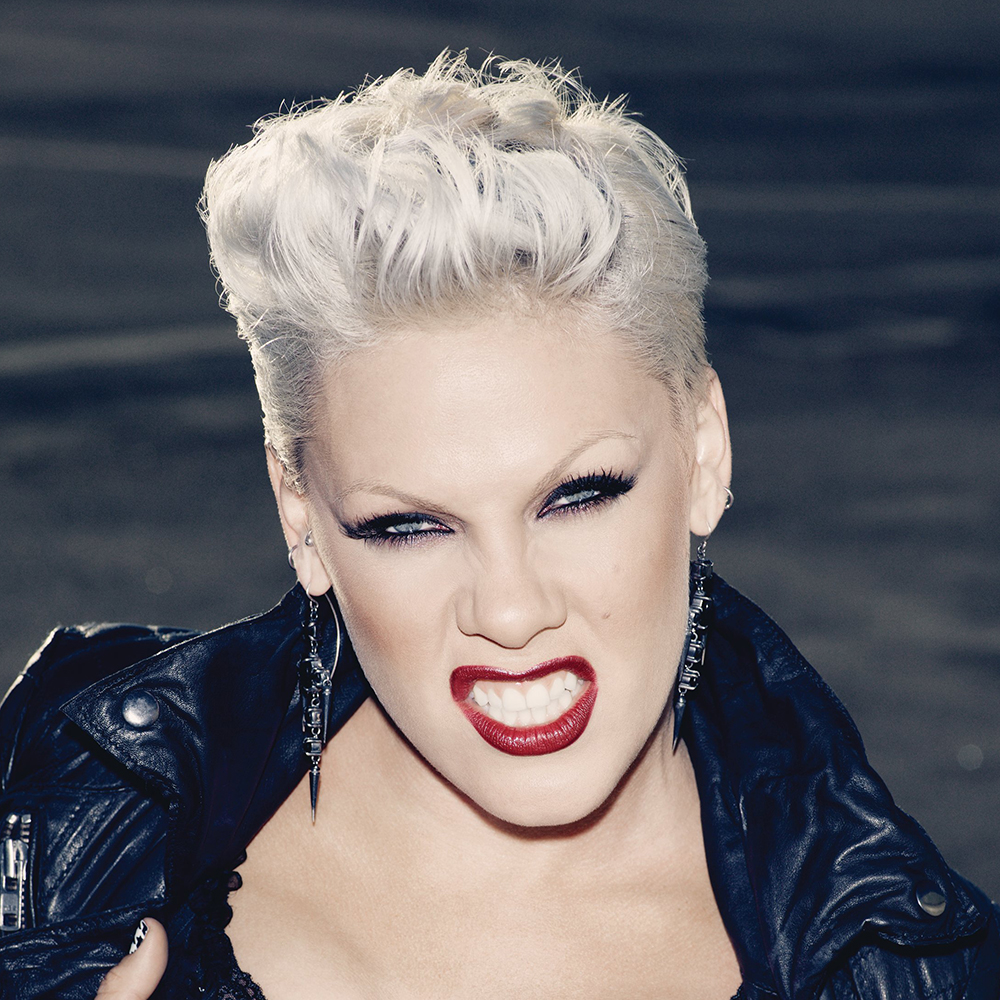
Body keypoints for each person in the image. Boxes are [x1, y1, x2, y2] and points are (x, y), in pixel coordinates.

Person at [0, 52, 996, 1000]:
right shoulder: (68, 821)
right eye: (407, 526)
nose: (512, 611)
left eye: (579, 495)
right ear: (300, 514)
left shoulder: (909, 969)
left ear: (704, 450)